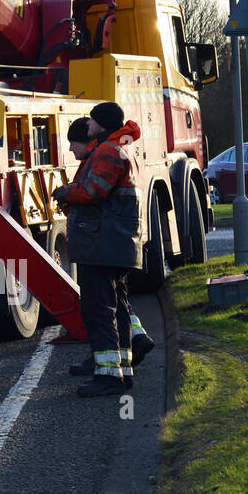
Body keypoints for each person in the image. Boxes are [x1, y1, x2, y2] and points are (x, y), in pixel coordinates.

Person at [53, 101, 148, 397]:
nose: (89, 125)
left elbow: (94, 191)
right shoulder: (117, 147)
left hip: (103, 244)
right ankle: (121, 370)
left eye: (92, 121)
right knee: (116, 307)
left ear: (102, 124)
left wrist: (65, 192)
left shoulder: (107, 150)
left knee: (99, 309)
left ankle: (109, 376)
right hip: (113, 245)